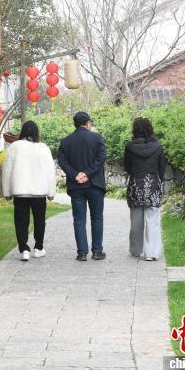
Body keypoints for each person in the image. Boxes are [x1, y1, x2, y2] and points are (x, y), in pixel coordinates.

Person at [2, 120, 57, 261]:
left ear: (23, 132)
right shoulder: (43, 148)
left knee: (21, 221)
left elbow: (7, 170)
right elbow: (50, 171)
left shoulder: (15, 147)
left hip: (21, 191)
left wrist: (7, 192)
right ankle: (39, 248)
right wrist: (51, 192)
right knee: (40, 220)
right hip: (39, 192)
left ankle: (24, 249)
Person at [57, 111, 106, 261]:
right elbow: (100, 159)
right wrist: (87, 173)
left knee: (79, 220)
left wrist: (76, 175)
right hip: (95, 184)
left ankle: (82, 252)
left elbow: (62, 161)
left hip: (76, 185)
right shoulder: (97, 138)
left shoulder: (66, 141)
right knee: (97, 218)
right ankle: (97, 251)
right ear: (87, 123)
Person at [124, 117, 166, 261]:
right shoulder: (158, 146)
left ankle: (136, 250)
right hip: (153, 185)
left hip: (135, 185)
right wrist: (157, 179)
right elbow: (162, 167)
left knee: (136, 220)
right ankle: (151, 253)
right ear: (150, 129)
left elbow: (127, 166)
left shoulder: (129, 147)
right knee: (152, 220)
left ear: (135, 130)